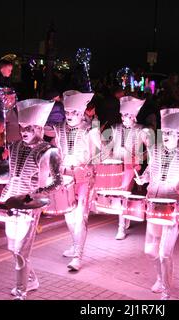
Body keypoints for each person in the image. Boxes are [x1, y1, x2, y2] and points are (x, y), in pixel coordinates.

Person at [0, 99, 62, 300]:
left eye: (29, 128)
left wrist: (37, 194)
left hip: (30, 206)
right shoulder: (15, 147)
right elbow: (12, 174)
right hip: (10, 202)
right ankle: (31, 279)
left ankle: (21, 291)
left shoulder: (49, 151)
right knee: (12, 248)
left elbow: (57, 182)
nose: (24, 131)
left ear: (39, 128)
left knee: (21, 251)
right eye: (23, 127)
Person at [135, 108, 179, 300]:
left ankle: (167, 289)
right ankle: (160, 278)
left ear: (178, 134)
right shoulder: (156, 150)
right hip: (153, 204)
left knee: (165, 252)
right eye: (163, 132)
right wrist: (142, 178)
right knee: (150, 250)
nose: (165, 136)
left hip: (173, 207)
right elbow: (150, 171)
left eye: (169, 133)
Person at [52, 90, 100, 272]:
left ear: (81, 113)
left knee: (80, 218)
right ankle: (74, 244)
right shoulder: (59, 128)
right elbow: (57, 150)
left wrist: (89, 165)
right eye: (67, 112)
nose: (70, 116)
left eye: (74, 112)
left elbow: (100, 154)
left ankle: (78, 255)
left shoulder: (90, 130)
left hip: (83, 179)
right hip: (65, 177)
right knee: (69, 215)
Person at [103, 96, 152, 240]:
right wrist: (108, 152)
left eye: (127, 115)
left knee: (123, 194)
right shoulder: (115, 128)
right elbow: (107, 145)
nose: (123, 118)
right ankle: (124, 219)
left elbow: (152, 149)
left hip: (130, 167)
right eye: (122, 115)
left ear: (134, 116)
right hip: (115, 166)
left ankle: (121, 227)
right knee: (119, 195)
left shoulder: (142, 130)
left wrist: (140, 159)